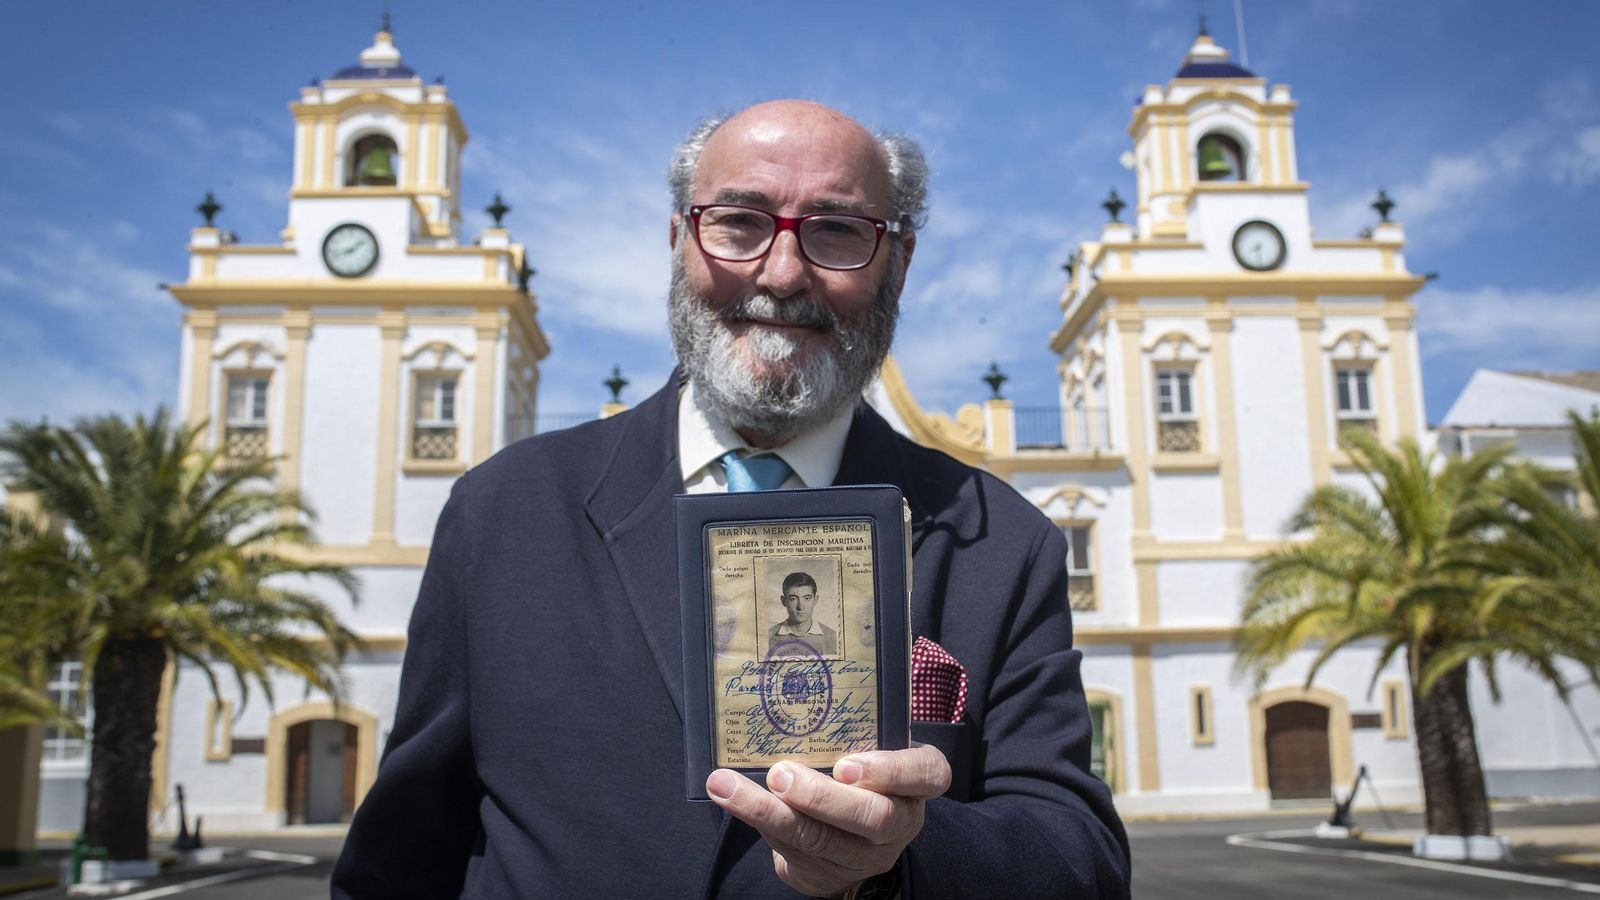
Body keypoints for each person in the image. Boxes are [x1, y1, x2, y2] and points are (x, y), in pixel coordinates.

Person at [332, 99, 1130, 898]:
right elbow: (400, 863)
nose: (783, 274)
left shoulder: (1005, 543)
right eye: (740, 222)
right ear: (678, 238)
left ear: (900, 260)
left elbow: (1080, 861)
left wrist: (906, 856)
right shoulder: (501, 515)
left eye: (838, 230)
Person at [768, 570, 838, 656]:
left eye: (807, 598)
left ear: (815, 600)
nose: (800, 607)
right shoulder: (768, 637)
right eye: (793, 599)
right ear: (783, 601)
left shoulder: (832, 637)